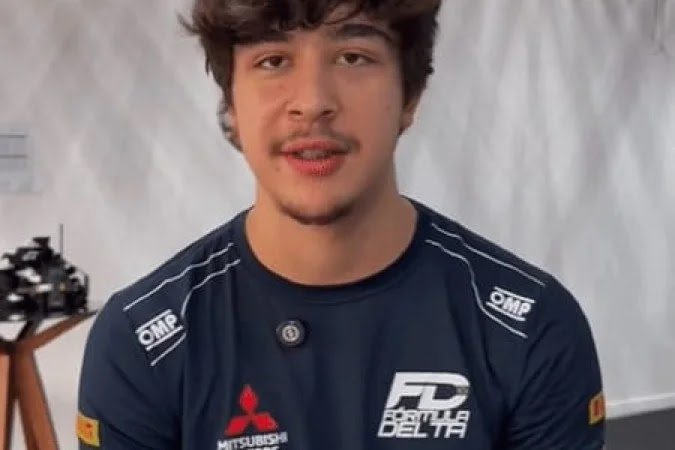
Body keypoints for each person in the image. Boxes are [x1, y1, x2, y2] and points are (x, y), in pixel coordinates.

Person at [77, 1, 606, 449]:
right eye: (272, 60)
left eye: (353, 57)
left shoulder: (531, 329)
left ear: (410, 96)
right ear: (231, 104)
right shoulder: (140, 345)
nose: (312, 103)